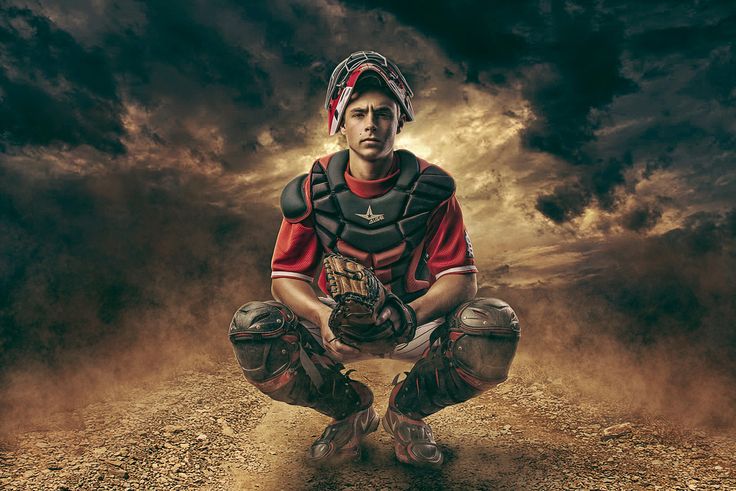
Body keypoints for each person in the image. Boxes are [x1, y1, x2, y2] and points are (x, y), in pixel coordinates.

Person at [229, 50, 520, 467]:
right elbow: (286, 276)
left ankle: (408, 412)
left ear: (398, 120)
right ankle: (349, 410)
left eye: (383, 113)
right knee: (255, 329)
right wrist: (321, 315)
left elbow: (460, 278)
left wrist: (408, 313)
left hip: (411, 318)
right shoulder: (313, 189)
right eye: (359, 113)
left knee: (492, 325)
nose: (371, 124)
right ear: (340, 123)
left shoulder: (431, 188)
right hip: (339, 322)